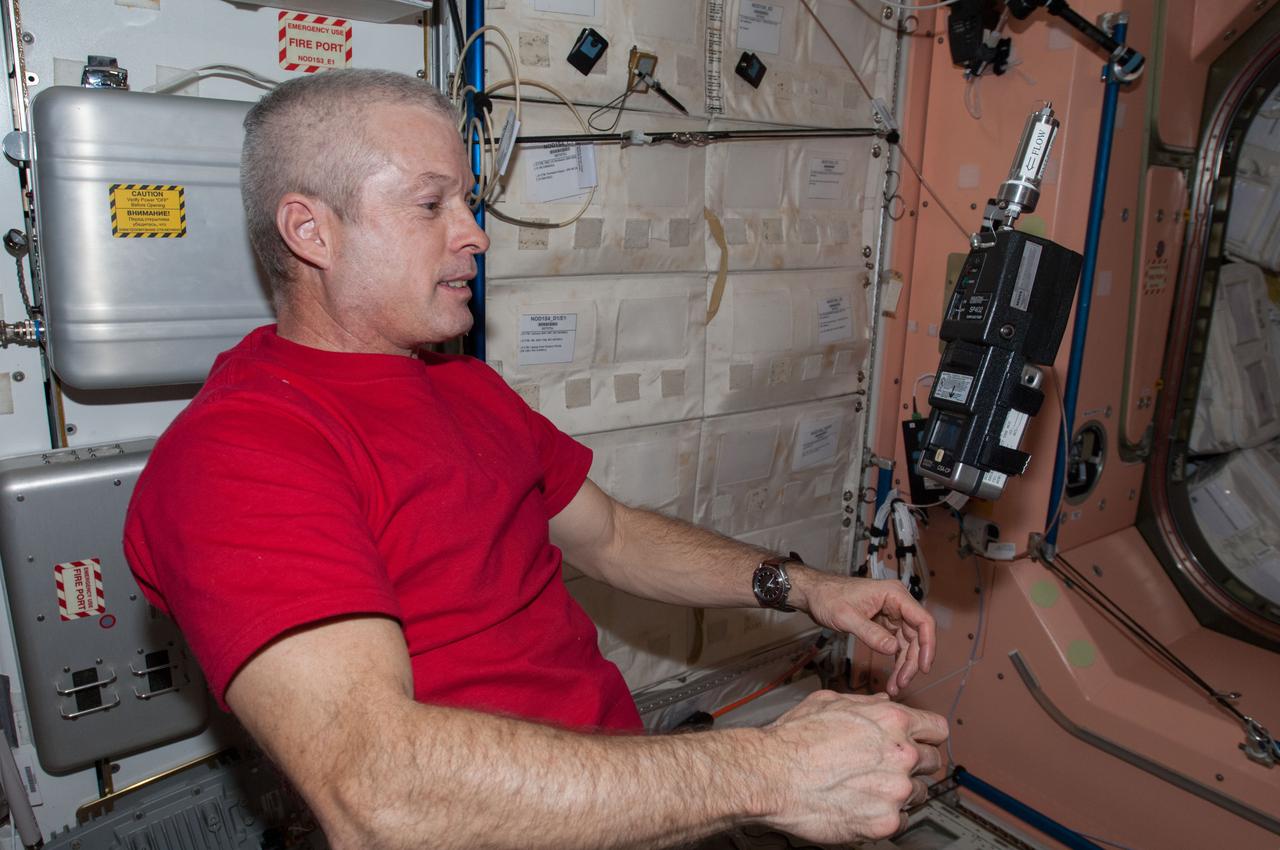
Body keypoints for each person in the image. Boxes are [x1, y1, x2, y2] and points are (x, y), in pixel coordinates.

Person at [124, 69, 948, 850]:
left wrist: (802, 585)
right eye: (430, 205)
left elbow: (613, 536)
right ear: (311, 231)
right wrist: (777, 772)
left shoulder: (463, 388)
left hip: (635, 805)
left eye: (468, 201)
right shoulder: (238, 450)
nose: (473, 234)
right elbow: (378, 797)